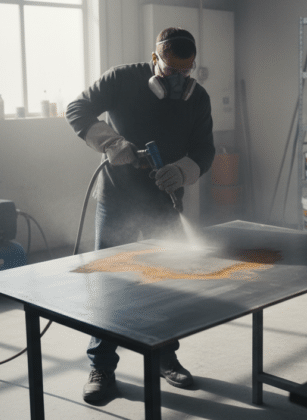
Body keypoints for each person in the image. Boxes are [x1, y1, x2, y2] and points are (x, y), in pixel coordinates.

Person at [66, 27, 215, 402]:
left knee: (165, 282)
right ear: (155, 59)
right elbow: (76, 109)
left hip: (165, 202)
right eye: (170, 70)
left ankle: (166, 357)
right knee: (110, 283)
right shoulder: (121, 79)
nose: (179, 79)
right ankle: (102, 366)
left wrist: (182, 171)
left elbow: (205, 151)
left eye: (187, 70)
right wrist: (111, 142)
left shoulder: (198, 100)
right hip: (116, 199)